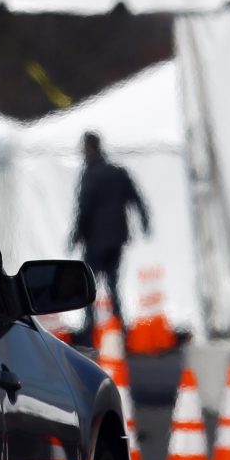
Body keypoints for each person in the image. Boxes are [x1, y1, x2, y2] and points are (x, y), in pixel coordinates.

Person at [70, 131, 150, 326]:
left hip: (96, 239)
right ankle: (118, 325)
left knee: (89, 285)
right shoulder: (117, 172)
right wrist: (144, 221)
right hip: (116, 237)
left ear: (89, 148)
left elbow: (84, 208)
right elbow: (136, 199)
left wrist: (75, 235)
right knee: (113, 284)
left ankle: (90, 329)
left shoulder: (90, 174)